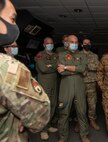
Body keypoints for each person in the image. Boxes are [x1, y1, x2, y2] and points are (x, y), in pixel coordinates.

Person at [0, 0, 50, 142]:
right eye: (12, 19)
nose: (15, 25)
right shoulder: (7, 67)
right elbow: (39, 116)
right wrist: (20, 116)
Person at [57, 35, 90, 142]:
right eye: (72, 42)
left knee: (82, 111)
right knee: (64, 112)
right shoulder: (61, 55)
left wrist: (66, 67)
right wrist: (76, 70)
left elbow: (83, 68)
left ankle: (84, 135)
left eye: (76, 42)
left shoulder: (82, 55)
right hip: (66, 87)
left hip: (80, 86)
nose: (74, 44)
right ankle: (63, 136)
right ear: (67, 43)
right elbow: (60, 72)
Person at [35, 37, 58, 140]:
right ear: (44, 45)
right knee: (45, 107)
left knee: (53, 105)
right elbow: (43, 69)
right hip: (45, 85)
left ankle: (48, 126)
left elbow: (58, 67)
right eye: (47, 43)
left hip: (54, 84)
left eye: (51, 43)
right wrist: (53, 67)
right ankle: (43, 130)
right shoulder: (40, 55)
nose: (50, 45)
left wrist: (50, 66)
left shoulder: (55, 55)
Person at [80, 38, 100, 130]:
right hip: (80, 82)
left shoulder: (95, 56)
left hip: (91, 83)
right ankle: (80, 122)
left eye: (88, 43)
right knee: (80, 104)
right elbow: (76, 67)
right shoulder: (77, 55)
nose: (87, 44)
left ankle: (92, 120)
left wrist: (85, 66)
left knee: (92, 104)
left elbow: (97, 67)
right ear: (82, 45)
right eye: (85, 43)